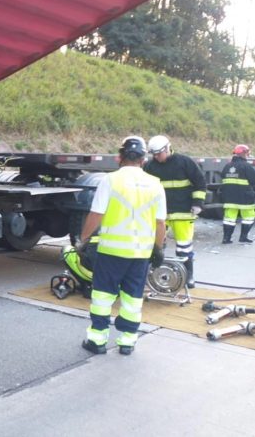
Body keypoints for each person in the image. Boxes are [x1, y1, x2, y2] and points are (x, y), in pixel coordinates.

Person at [78, 136, 166, 356]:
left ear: (119, 157)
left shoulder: (110, 180)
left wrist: (84, 240)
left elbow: (96, 214)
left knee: (103, 296)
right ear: (144, 159)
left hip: (112, 252)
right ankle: (127, 341)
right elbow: (160, 222)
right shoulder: (155, 184)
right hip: (140, 253)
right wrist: (158, 248)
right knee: (132, 298)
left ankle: (97, 339)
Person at [143, 135, 206, 288]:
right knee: (157, 246)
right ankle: (154, 275)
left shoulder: (185, 162)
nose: (157, 157)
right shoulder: (150, 166)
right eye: (154, 155)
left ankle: (188, 276)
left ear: (167, 148)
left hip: (182, 212)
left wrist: (198, 203)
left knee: (184, 247)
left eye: (159, 153)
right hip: (160, 214)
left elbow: (200, 182)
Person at [220, 144, 255, 244]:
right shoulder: (247, 166)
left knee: (229, 219)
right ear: (243, 154)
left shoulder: (227, 166)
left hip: (229, 198)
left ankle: (226, 239)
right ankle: (243, 237)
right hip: (245, 198)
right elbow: (253, 181)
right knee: (248, 217)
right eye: (247, 153)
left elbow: (223, 177)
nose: (248, 155)